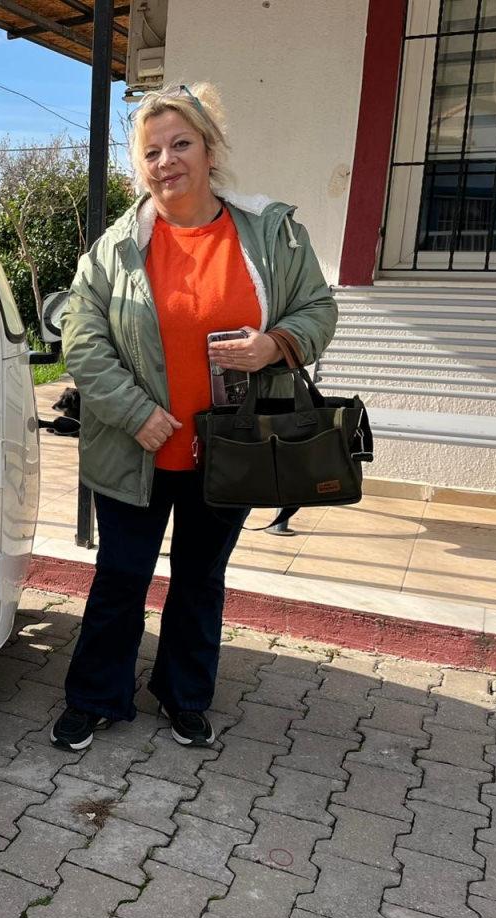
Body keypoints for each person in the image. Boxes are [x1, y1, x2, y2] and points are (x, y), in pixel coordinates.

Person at [51, 82, 337, 751]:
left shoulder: (268, 234)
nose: (166, 160)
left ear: (210, 151)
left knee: (200, 580)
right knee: (120, 578)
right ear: (139, 164)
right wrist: (133, 411)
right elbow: (81, 340)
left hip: (229, 448)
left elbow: (318, 309)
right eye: (152, 150)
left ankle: (184, 695)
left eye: (181, 144)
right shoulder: (115, 248)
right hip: (136, 449)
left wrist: (276, 344)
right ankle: (96, 696)